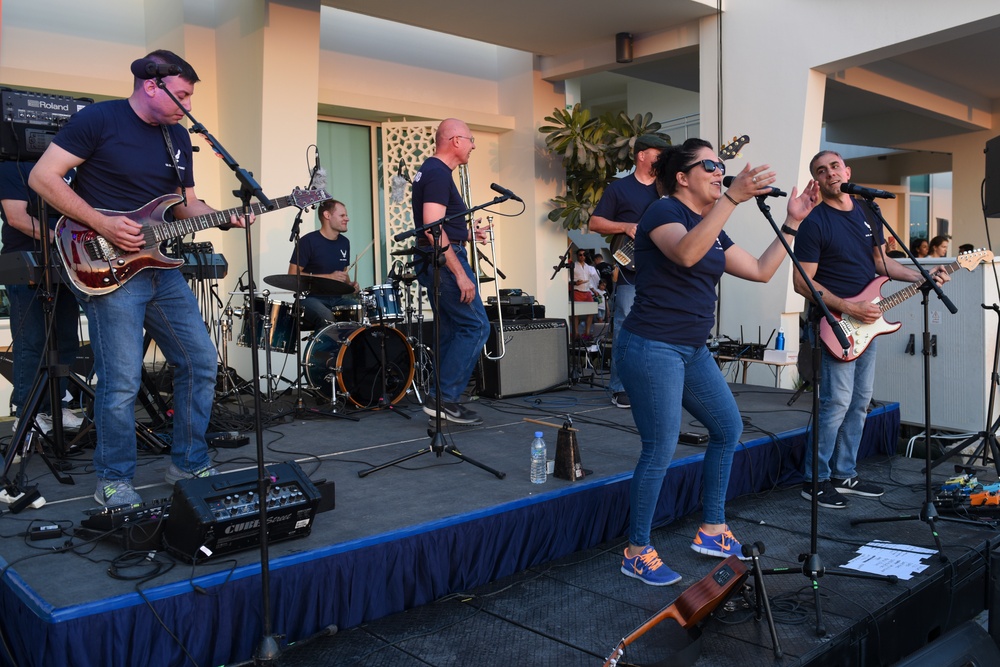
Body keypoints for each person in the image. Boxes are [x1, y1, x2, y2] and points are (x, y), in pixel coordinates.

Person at [29, 49, 251, 506]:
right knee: (122, 379)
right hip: (105, 264)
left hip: (160, 269)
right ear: (152, 85)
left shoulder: (177, 138)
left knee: (200, 362)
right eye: (183, 95)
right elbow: (42, 177)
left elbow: (183, 204)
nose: (188, 105)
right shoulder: (99, 120)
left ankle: (188, 462)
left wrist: (226, 216)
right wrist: (103, 223)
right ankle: (113, 480)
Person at [615, 138, 821, 585]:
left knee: (727, 428)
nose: (718, 171)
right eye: (709, 164)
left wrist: (791, 222)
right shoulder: (662, 212)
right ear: (682, 177)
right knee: (660, 447)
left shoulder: (712, 221)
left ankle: (711, 529)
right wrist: (731, 198)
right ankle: (636, 549)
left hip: (690, 349)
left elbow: (761, 270)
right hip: (652, 346)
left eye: (721, 165)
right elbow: (687, 253)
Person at [793, 151, 948, 509]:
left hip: (868, 323)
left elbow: (881, 262)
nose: (830, 173)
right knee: (836, 403)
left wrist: (923, 275)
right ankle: (814, 479)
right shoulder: (815, 222)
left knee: (860, 401)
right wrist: (848, 308)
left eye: (834, 166)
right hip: (837, 322)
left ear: (847, 171)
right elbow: (803, 282)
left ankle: (843, 473)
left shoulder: (867, 212)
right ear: (816, 181)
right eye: (821, 171)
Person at [411, 118, 490, 425]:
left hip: (438, 256)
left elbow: (438, 225)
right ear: (455, 140)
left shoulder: (432, 172)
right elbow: (433, 229)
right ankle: (446, 398)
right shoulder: (437, 173)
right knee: (475, 327)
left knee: (453, 328)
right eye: (471, 140)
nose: (473, 146)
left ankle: (440, 398)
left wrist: (468, 235)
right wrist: (460, 274)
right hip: (444, 260)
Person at [0, 161, 83, 434]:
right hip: (27, 264)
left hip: (67, 263)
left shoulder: (69, 169)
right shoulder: (12, 167)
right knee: (32, 343)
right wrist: (60, 240)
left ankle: (55, 408)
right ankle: (28, 413)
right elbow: (16, 218)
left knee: (66, 340)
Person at [589, 134, 668, 409]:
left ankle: (657, 384)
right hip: (631, 269)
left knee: (662, 329)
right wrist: (625, 227)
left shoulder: (667, 187)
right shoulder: (619, 189)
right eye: (659, 153)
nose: (663, 158)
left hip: (664, 270)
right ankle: (620, 387)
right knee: (625, 326)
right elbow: (595, 222)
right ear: (642, 155)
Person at [288, 198, 360, 329]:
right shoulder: (307, 241)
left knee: (361, 312)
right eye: (342, 215)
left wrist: (350, 285)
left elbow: (343, 273)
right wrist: (329, 277)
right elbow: (293, 274)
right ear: (327, 215)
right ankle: (322, 350)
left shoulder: (345, 242)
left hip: (337, 298)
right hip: (311, 298)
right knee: (326, 316)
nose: (347, 219)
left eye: (346, 215)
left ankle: (348, 349)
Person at [568, 248, 598, 340]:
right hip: (577, 291)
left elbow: (590, 281)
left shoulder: (589, 267)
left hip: (587, 291)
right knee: (576, 313)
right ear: (577, 256)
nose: (582, 256)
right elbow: (568, 279)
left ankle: (587, 333)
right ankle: (576, 333)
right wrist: (575, 282)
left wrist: (594, 290)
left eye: (584, 255)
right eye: (580, 255)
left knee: (591, 311)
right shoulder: (573, 266)